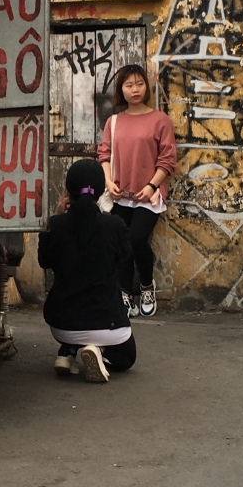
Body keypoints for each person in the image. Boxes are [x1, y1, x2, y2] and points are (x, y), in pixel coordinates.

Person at [38, 159, 136, 382]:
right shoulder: (115, 226)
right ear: (101, 191)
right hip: (108, 325)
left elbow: (45, 261)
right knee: (127, 358)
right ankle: (98, 351)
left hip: (62, 325)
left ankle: (68, 350)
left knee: (75, 315)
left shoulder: (54, 226)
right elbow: (125, 256)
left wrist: (56, 215)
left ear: (67, 190)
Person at [98, 64, 178, 317]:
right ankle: (124, 294)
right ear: (121, 89)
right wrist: (108, 181)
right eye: (129, 85)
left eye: (140, 84)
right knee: (121, 243)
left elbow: (168, 159)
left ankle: (146, 285)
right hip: (120, 194)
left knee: (136, 239)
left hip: (149, 195)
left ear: (146, 86)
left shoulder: (160, 120)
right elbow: (105, 154)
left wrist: (152, 184)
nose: (135, 89)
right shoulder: (114, 122)